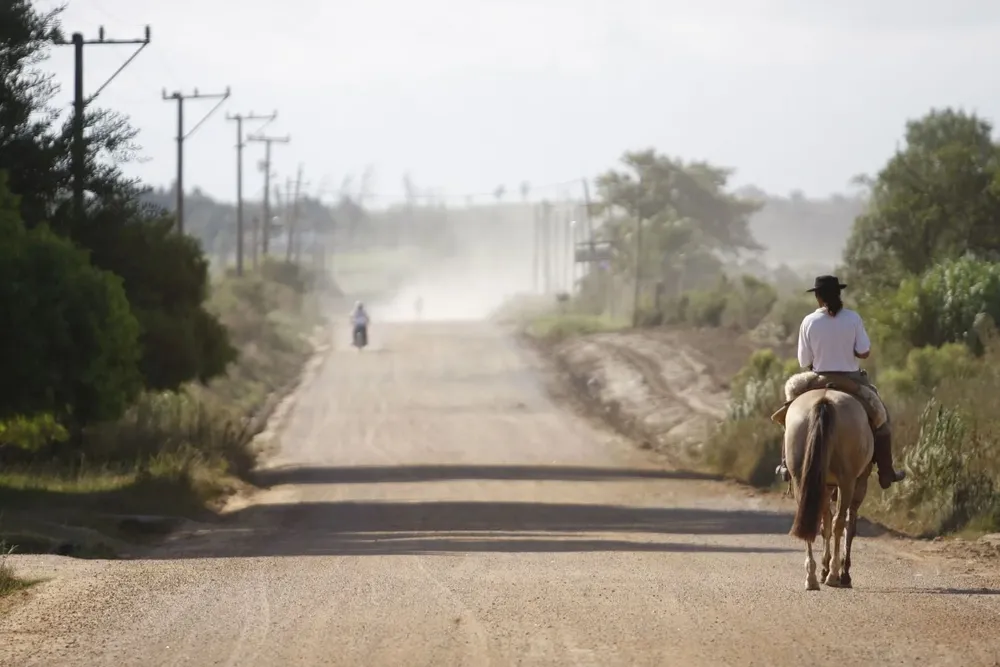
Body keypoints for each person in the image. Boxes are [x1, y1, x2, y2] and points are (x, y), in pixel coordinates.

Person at [775, 275, 907, 490]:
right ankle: (886, 471)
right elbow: (864, 352)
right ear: (838, 294)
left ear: (818, 297)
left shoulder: (809, 321)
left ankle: (785, 463)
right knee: (881, 416)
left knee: (791, 407)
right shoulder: (853, 318)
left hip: (817, 378)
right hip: (850, 379)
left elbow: (804, 361)